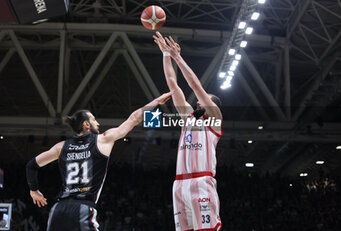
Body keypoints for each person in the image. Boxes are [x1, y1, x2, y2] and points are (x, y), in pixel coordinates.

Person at [26, 92, 172, 231]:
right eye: (94, 119)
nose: (98, 123)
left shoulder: (61, 146)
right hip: (82, 207)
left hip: (58, 209)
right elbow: (134, 119)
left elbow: (31, 165)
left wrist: (34, 190)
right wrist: (156, 101)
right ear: (86, 124)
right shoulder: (103, 139)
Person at [154, 32, 223, 231]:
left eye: (204, 99)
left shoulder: (215, 120)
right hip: (180, 184)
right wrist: (166, 55)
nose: (198, 100)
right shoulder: (188, 118)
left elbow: (194, 84)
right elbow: (172, 84)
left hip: (202, 181)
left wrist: (178, 57)